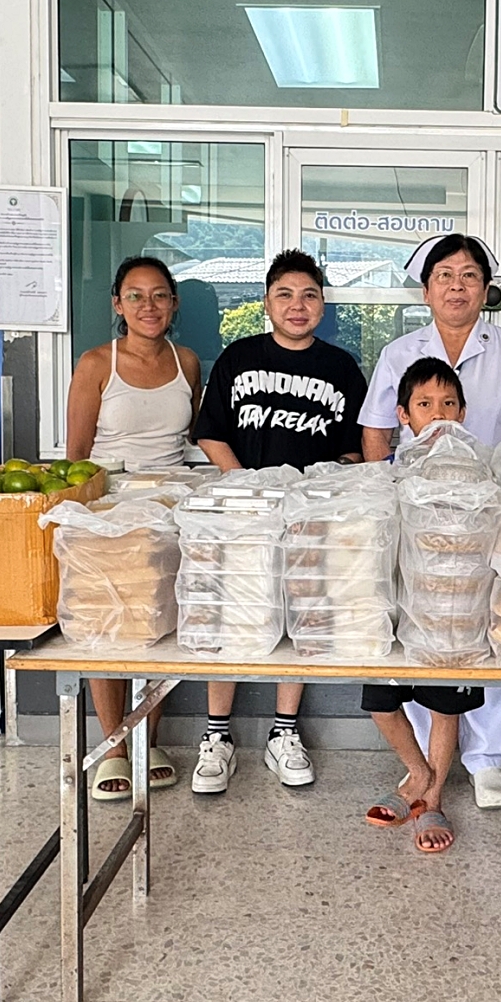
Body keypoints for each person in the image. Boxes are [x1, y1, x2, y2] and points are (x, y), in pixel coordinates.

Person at [359, 234, 501, 810]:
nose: (457, 286)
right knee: (426, 627)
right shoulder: (400, 352)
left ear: (485, 289)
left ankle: (486, 759)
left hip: (490, 519)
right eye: (444, 276)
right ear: (426, 290)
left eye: (469, 275)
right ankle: (430, 762)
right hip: (419, 521)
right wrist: (385, 499)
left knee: (487, 629)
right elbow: (377, 431)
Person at [189, 249, 367, 795]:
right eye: (285, 295)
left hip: (310, 518)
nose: (297, 305)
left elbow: (354, 451)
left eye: (309, 295)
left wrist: (315, 496)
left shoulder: (341, 368)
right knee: (230, 614)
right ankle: (216, 735)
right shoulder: (238, 357)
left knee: (302, 615)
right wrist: (249, 491)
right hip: (242, 514)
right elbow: (211, 432)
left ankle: (284, 732)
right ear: (266, 303)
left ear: (322, 305)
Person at [65, 256, 202, 801]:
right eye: (136, 296)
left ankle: (147, 738)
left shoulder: (187, 362)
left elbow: (189, 440)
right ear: (118, 305)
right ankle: (113, 748)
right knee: (109, 624)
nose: (149, 306)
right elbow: (77, 456)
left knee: (159, 624)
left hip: (169, 511)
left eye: (160, 295)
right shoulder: (97, 363)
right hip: (111, 515)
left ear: (174, 304)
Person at [359, 357, 476, 854]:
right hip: (393, 611)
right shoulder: (389, 473)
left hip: (451, 610)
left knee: (443, 704)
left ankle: (433, 798)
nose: (439, 413)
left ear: (463, 412)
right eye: (425, 404)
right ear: (403, 416)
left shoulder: (475, 471)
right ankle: (420, 774)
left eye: (448, 403)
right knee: (381, 702)